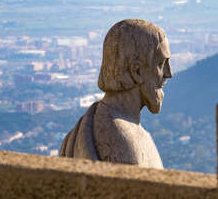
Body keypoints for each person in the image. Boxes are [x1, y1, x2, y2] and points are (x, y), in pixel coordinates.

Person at [59, 19, 172, 169]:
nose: (169, 74)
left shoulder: (96, 119)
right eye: (161, 64)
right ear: (137, 71)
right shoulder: (126, 142)